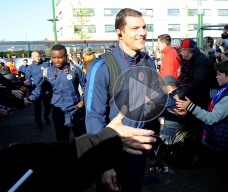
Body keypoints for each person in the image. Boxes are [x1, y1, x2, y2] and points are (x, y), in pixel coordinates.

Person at [84, 8, 175, 192]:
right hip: (111, 150)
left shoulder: (147, 61)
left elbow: (155, 95)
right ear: (119, 33)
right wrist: (103, 164)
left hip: (138, 150)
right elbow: (94, 116)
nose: (142, 32)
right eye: (134, 28)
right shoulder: (101, 66)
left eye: (144, 27)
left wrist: (176, 105)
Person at [0, 109, 156, 192]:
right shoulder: (102, 66)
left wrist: (100, 144)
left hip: (76, 115)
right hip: (59, 113)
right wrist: (103, 158)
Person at [176, 60, 228, 192]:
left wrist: (190, 106)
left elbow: (211, 118)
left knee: (227, 177)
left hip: (226, 144)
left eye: (219, 73)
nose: (216, 76)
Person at [28, 44, 87, 142]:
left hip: (76, 111)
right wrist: (28, 99)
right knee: (62, 142)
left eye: (59, 57)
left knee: (82, 140)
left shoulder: (75, 70)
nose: (56, 60)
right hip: (59, 113)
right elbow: (40, 89)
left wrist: (83, 100)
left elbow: (87, 86)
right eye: (54, 57)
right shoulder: (47, 72)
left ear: (66, 57)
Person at [174, 38, 213, 156]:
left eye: (182, 50)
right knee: (195, 125)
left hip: (201, 99)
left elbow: (197, 82)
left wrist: (180, 94)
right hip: (195, 97)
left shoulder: (201, 61)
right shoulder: (191, 60)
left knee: (200, 126)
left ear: (187, 51)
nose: (180, 53)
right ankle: (197, 149)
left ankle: (201, 152)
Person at [25, 51, 51, 132]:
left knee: (48, 106)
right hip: (36, 91)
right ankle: (38, 123)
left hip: (45, 91)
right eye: (36, 57)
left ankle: (46, 116)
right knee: (37, 108)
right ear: (32, 58)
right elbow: (27, 80)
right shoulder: (30, 67)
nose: (38, 58)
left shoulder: (46, 65)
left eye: (39, 56)